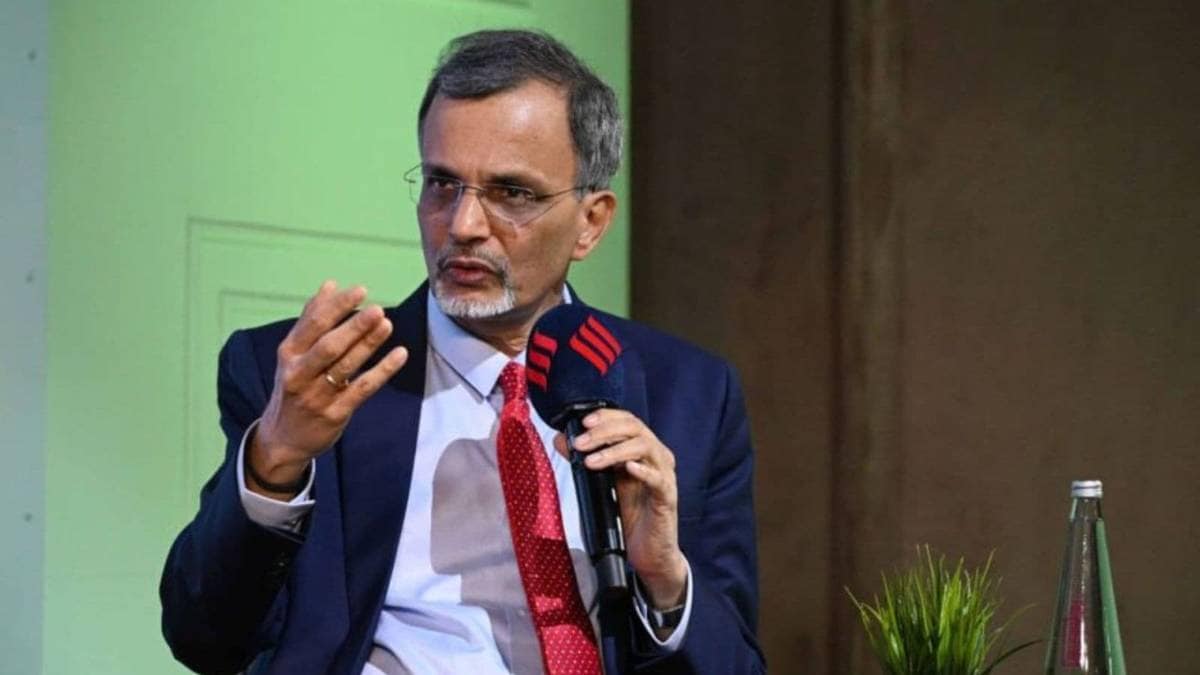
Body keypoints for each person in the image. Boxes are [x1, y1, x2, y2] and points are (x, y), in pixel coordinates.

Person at [161, 29, 763, 675]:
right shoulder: (314, 378)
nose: (463, 225)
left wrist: (665, 580)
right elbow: (204, 637)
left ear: (590, 223)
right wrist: (275, 460)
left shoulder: (690, 395)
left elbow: (737, 664)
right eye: (442, 184)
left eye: (512, 193)